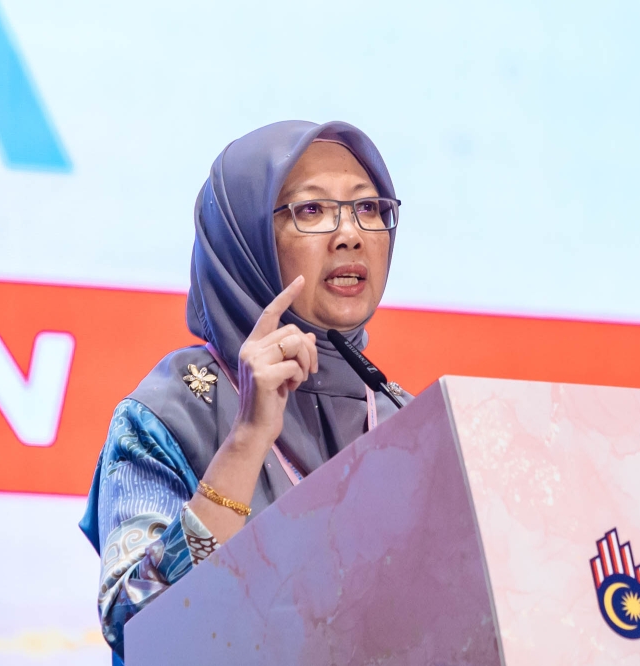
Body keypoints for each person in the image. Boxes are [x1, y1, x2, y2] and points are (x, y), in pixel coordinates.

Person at [78, 120, 408, 664]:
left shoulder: (408, 423)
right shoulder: (169, 414)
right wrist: (248, 438)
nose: (350, 234)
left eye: (368, 208)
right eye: (311, 210)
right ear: (244, 238)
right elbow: (136, 623)